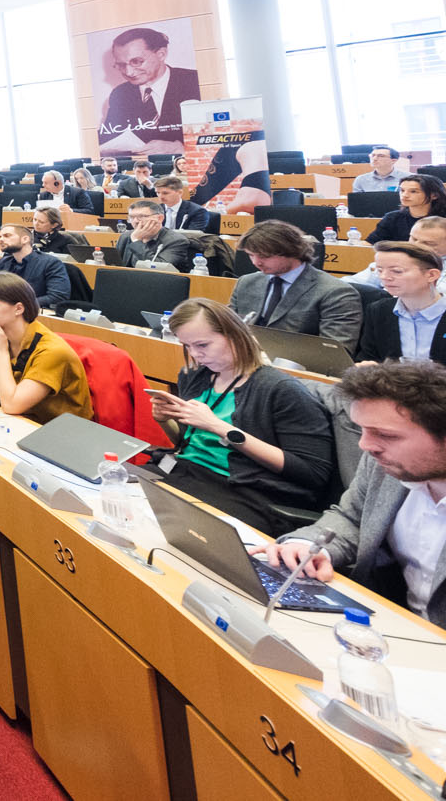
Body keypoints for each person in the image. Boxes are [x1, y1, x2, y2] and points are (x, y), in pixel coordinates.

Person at [253, 361, 446, 626]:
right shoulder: (386, 465)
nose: (365, 445)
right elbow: (351, 517)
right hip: (395, 624)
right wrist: (308, 546)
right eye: (363, 429)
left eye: (385, 435)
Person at [145, 299, 338, 533]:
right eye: (187, 346)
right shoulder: (195, 376)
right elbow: (188, 443)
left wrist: (220, 427)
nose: (196, 354)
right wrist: (165, 420)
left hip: (244, 491)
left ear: (235, 336)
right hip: (187, 471)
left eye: (203, 345)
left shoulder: (281, 390)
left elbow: (312, 472)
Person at [0, 271, 93, 423]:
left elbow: (12, 405)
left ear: (18, 309)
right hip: (24, 420)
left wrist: (0, 352)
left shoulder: (52, 351)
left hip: (64, 431)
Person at [229, 220, 363, 351]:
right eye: (251, 255)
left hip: (296, 367)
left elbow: (335, 352)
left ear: (291, 251)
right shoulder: (246, 282)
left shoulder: (335, 292)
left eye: (264, 256)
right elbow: (227, 327)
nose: (256, 262)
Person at [97, 26, 201, 153]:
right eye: (121, 65)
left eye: (136, 61)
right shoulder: (120, 94)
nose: (129, 72)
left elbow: (221, 135)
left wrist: (182, 148)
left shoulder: (195, 82)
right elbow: (109, 139)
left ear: (161, 54)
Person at [357, 243, 446, 365]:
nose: (384, 277)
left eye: (396, 271)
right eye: (379, 270)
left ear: (431, 275)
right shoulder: (379, 310)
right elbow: (368, 356)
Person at [0, 222, 72, 312]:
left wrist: (21, 305)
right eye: (0, 237)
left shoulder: (50, 263)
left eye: (7, 236)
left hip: (35, 313)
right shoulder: (1, 263)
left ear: (25, 239)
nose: (1, 239)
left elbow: (58, 296)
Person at [348, 216, 446, 288]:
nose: (416, 246)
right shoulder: (394, 258)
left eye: (428, 243)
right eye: (413, 239)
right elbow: (350, 283)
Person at [108, 200, 195, 271]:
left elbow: (158, 269)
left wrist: (136, 241)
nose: (136, 221)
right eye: (131, 217)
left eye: (142, 216)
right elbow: (116, 265)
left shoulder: (176, 241)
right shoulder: (126, 236)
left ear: (160, 218)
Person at [369, 175, 446, 243]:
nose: (404, 195)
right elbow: (371, 242)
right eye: (402, 190)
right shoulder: (392, 218)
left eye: (413, 191)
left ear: (434, 195)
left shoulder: (443, 219)